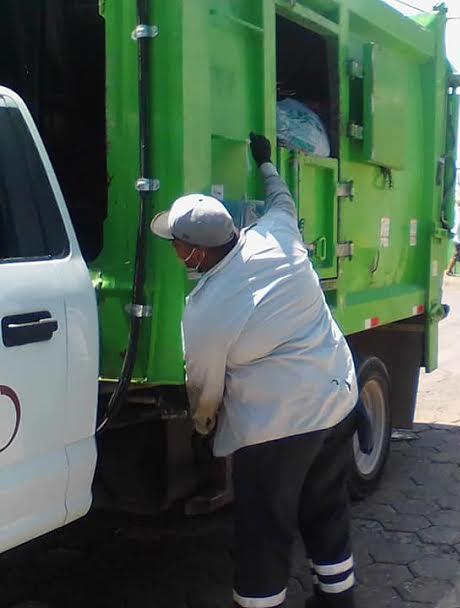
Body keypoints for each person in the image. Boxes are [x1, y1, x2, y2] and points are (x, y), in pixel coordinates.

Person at [150, 132, 359, 608]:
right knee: (325, 506)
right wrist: (265, 163)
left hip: (279, 428)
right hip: (337, 397)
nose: (175, 252)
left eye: (177, 244)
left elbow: (204, 386)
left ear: (195, 254)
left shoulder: (206, 307)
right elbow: (282, 198)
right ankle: (339, 599)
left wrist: (204, 428)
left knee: (265, 527)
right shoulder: (276, 234)